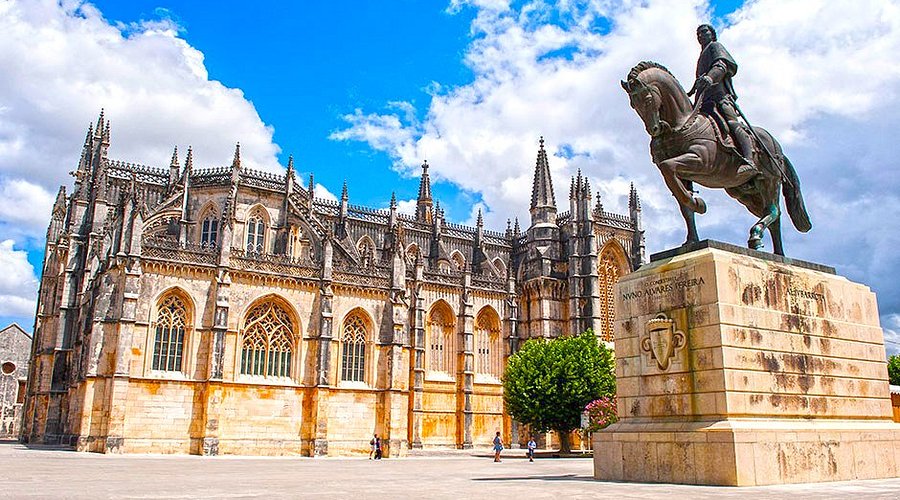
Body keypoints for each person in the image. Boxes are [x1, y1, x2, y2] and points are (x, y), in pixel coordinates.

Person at [690, 23, 758, 177]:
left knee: (732, 123)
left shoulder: (715, 46)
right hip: (704, 99)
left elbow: (721, 65)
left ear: (712, 34)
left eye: (704, 32)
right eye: (698, 34)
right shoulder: (701, 57)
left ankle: (749, 160)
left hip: (720, 96)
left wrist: (709, 77)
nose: (700, 35)